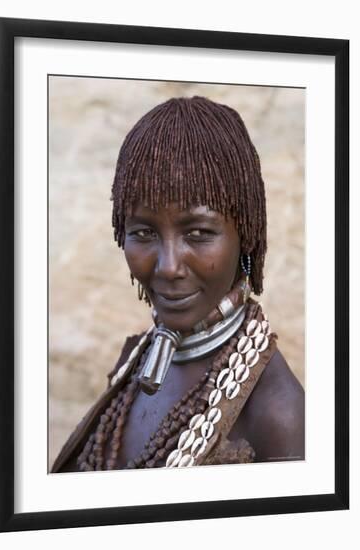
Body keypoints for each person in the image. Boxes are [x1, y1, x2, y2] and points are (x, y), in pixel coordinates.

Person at [51, 95, 304, 473]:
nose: (168, 267)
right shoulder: (134, 361)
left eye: (199, 233)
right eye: (144, 232)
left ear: (247, 234)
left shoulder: (280, 417)